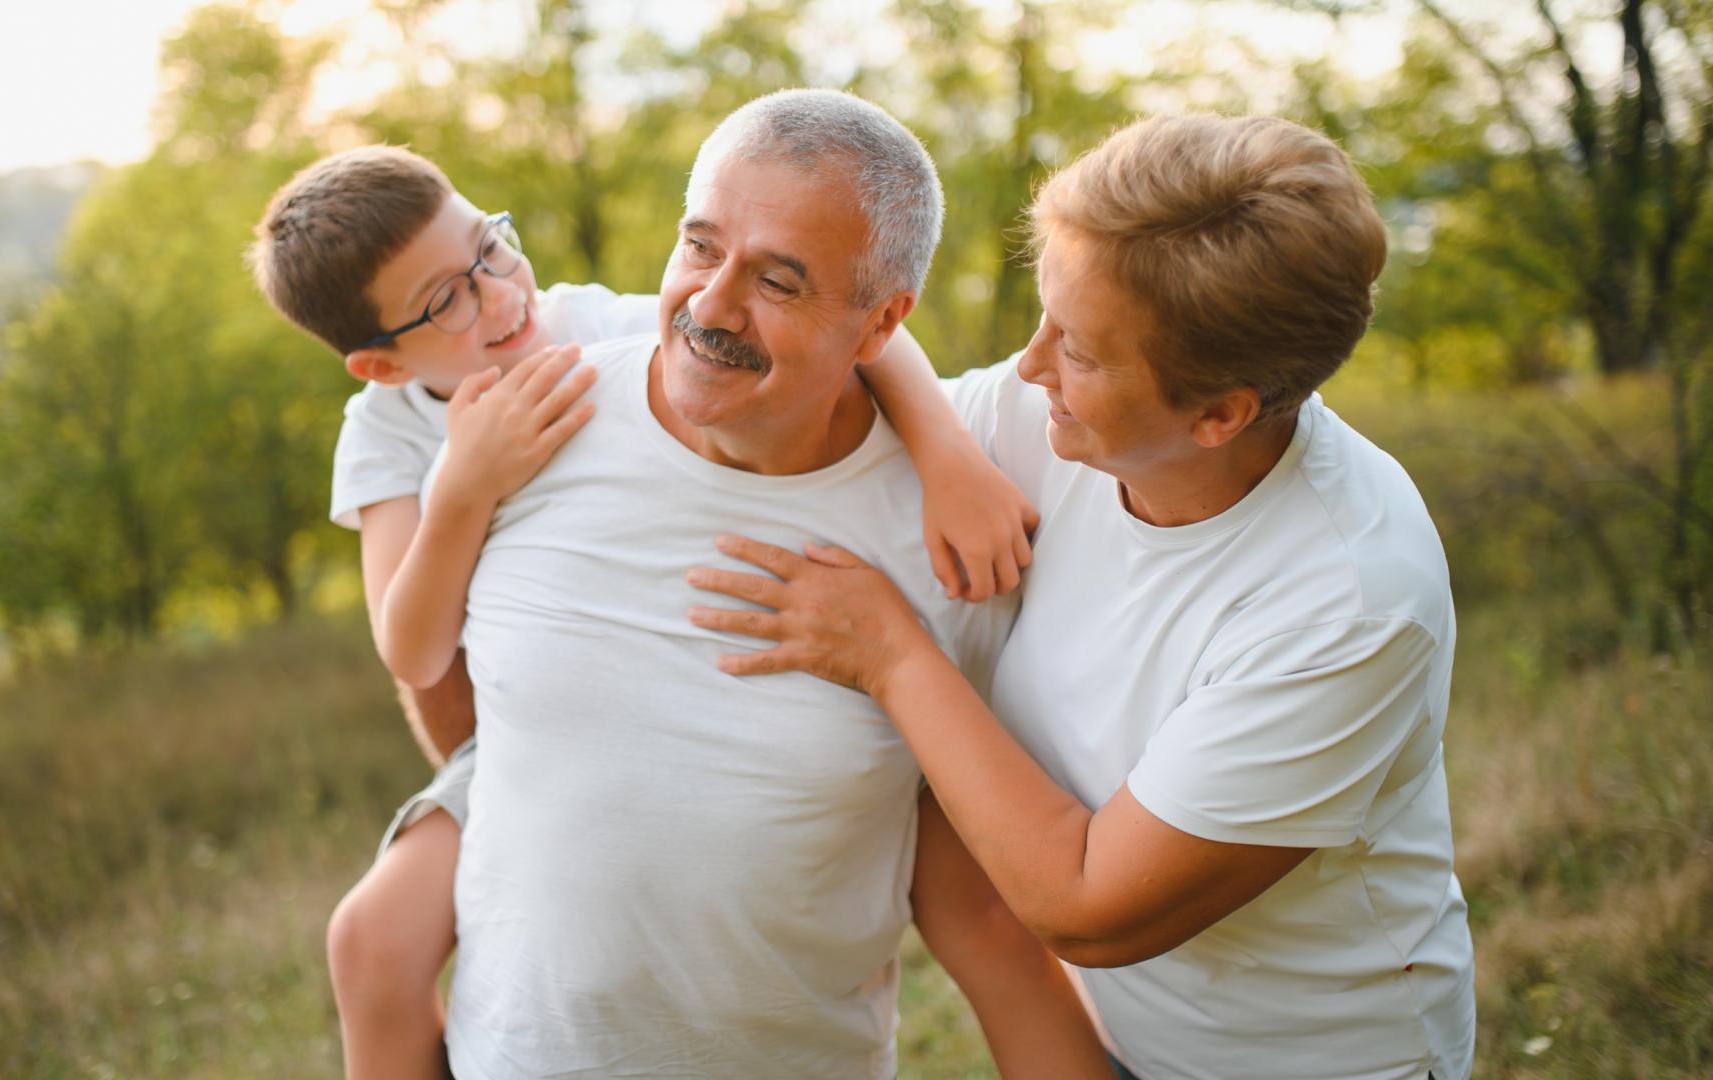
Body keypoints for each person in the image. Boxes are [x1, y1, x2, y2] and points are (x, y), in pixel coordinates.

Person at [250, 135, 1084, 1076]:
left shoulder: (598, 325)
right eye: (446, 300)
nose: (499, 295)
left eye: (490, 245)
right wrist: (463, 487)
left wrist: (948, 456)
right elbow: (411, 648)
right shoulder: (392, 430)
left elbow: (849, 325)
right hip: (512, 738)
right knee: (369, 940)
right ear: (384, 366)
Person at [690, 114, 1478, 1080]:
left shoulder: (1345, 602)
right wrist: (943, 447)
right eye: (1046, 315)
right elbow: (853, 341)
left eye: (1081, 352)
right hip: (1113, 1039)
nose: (1029, 366)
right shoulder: (1059, 423)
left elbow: (1089, 908)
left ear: (1219, 413)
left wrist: (890, 656)